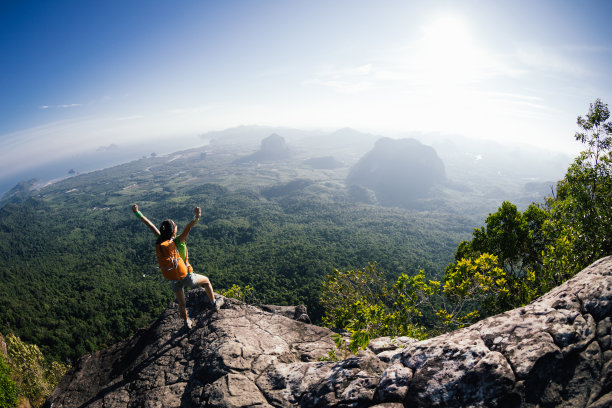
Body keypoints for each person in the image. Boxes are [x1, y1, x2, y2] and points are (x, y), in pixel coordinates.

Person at [132, 204, 218, 329]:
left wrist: (137, 212)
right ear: (174, 231)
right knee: (206, 281)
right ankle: (214, 303)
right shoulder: (180, 240)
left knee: (182, 304)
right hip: (188, 276)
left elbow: (150, 225)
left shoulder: (161, 240)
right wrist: (197, 217)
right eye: (175, 226)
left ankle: (186, 322)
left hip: (173, 278)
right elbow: (188, 228)